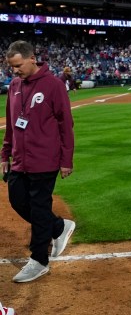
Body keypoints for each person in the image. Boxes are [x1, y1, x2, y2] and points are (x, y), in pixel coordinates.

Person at [1, 40, 76, 283]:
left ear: (32, 58)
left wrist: (66, 160)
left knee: (39, 206)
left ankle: (39, 260)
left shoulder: (54, 85)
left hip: (46, 159)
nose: (15, 71)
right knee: (17, 200)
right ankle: (58, 227)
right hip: (20, 160)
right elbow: (11, 124)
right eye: (12, 67)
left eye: (18, 65)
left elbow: (66, 125)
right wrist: (5, 154)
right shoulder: (14, 86)